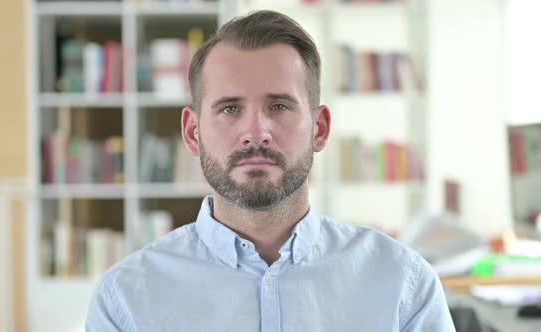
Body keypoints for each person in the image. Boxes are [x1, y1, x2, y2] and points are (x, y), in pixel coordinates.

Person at [86, 10, 455, 331]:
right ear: (192, 132)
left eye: (279, 106)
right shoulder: (126, 298)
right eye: (230, 108)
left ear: (320, 129)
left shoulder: (402, 283)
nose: (255, 133)